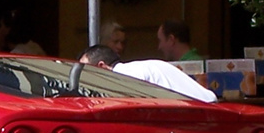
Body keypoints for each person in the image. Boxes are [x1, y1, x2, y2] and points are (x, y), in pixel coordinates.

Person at [80, 44, 216, 102]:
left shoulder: (126, 77)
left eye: (86, 70)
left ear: (102, 67)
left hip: (203, 116)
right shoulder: (139, 68)